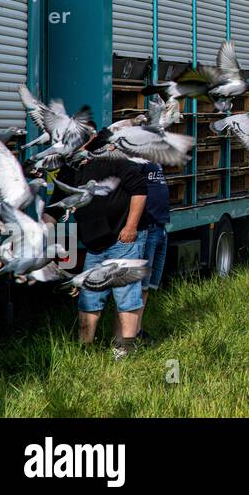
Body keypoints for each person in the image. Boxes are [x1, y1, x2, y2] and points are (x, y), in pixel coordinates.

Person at [46, 138, 148, 359]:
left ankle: (126, 349)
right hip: (93, 244)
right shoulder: (68, 171)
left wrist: (131, 227)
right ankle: (85, 349)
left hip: (123, 241)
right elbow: (55, 207)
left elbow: (140, 189)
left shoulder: (112, 160)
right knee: (89, 297)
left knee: (126, 295)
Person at [135, 160, 170, 343]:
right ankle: (131, 332)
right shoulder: (137, 156)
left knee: (147, 286)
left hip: (160, 225)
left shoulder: (154, 157)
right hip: (147, 228)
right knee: (140, 285)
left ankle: (138, 329)